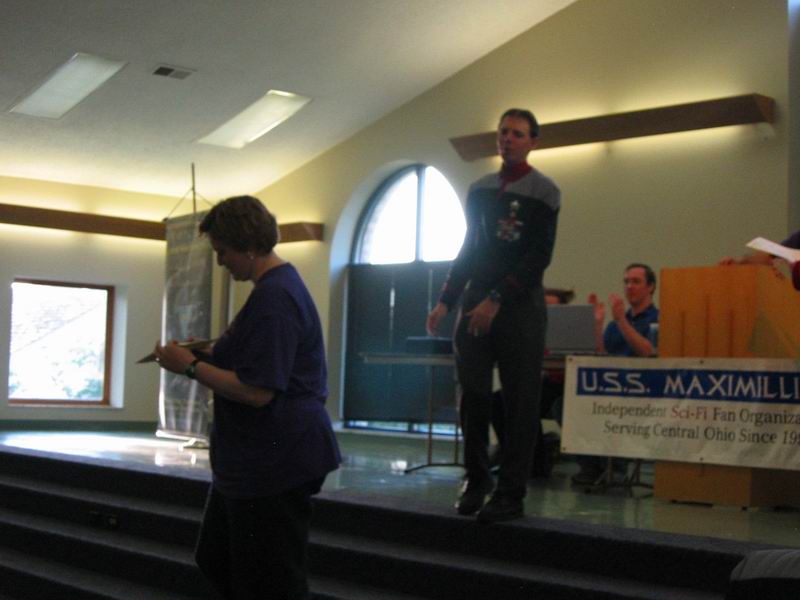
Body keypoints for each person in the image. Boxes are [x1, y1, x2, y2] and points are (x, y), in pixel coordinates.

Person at [154, 195, 341, 599]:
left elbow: (257, 391)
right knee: (219, 560)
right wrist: (208, 353)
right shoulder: (272, 289)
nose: (221, 262)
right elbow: (256, 359)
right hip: (255, 460)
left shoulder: (275, 298)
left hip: (276, 459)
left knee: (270, 581)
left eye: (223, 251)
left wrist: (190, 366)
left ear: (250, 246)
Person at [427, 108, 560, 523]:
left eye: (517, 133)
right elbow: (469, 248)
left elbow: (538, 256)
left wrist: (497, 298)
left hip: (520, 308)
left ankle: (511, 493)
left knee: (520, 402)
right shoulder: (480, 188)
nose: (508, 139)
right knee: (473, 396)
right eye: (503, 132)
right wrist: (447, 299)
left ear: (532, 141)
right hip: (475, 300)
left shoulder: (545, 191)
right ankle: (476, 479)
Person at [571, 263, 658, 486]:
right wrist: (597, 325)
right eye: (626, 281)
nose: (629, 286)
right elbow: (602, 356)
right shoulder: (616, 322)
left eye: (636, 281)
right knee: (566, 404)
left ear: (650, 287)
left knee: (615, 407)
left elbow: (647, 352)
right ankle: (591, 466)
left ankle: (617, 468)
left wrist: (621, 321)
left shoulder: (657, 319)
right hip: (610, 387)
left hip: (640, 391)